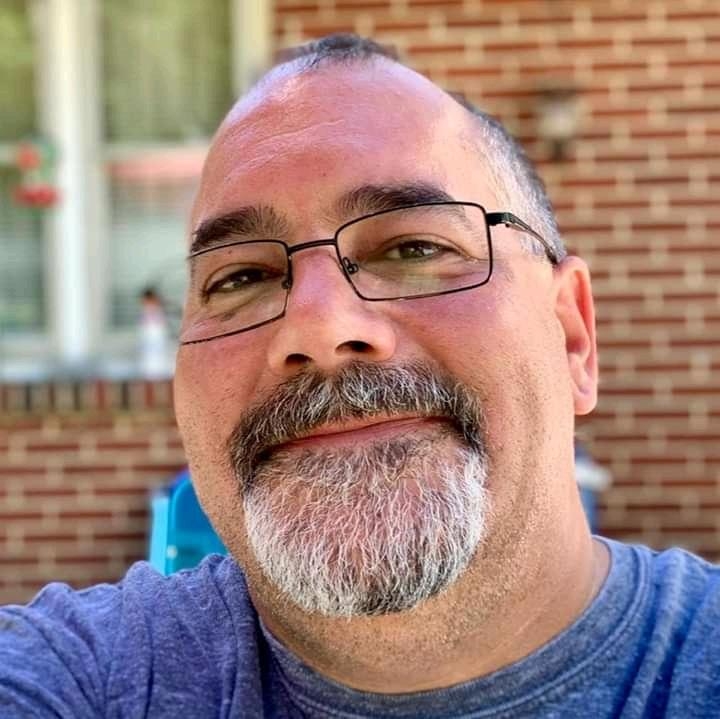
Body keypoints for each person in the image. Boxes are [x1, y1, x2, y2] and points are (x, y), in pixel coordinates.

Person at [2, 34, 719, 718]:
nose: (316, 327)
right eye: (241, 277)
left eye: (414, 248)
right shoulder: (81, 678)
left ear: (573, 338)